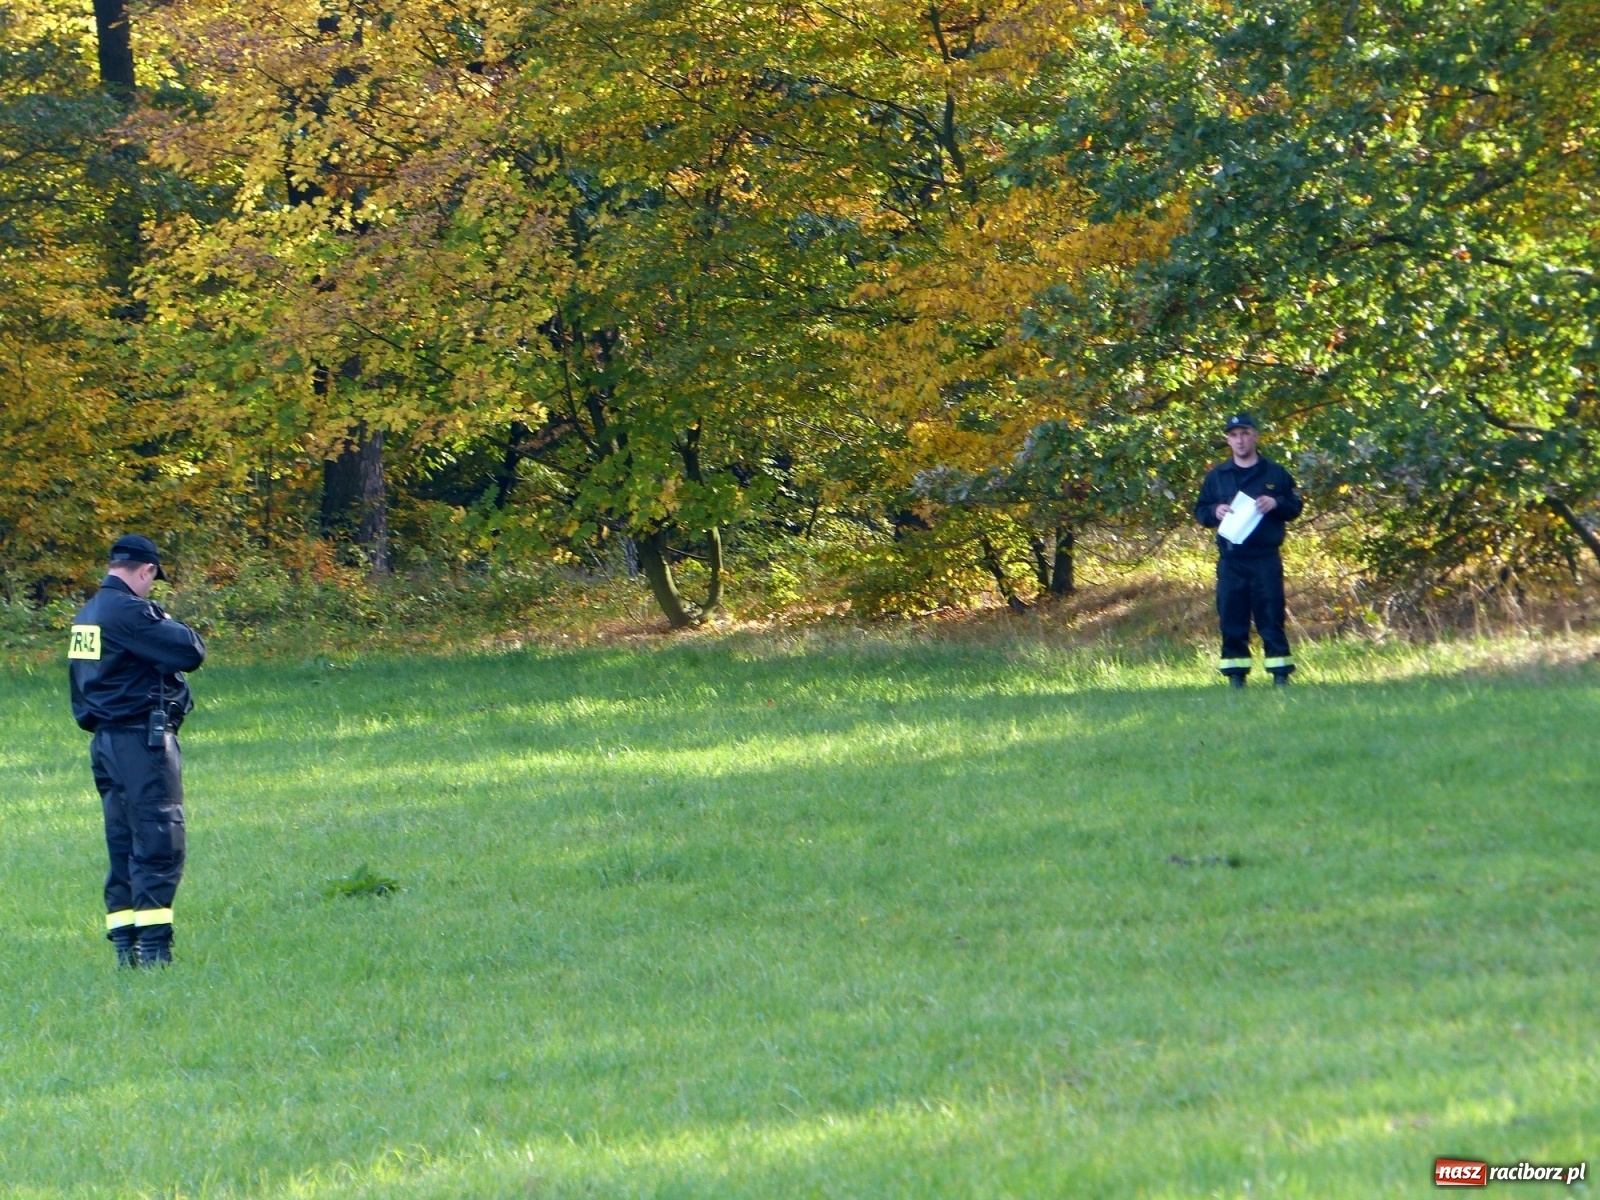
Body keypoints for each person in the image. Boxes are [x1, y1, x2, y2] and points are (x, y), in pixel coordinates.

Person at [68, 535, 206, 967]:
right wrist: (163, 618)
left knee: (123, 841)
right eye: (153, 580)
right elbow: (189, 650)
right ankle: (155, 950)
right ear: (146, 570)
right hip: (141, 743)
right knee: (159, 838)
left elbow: (82, 684)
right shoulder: (130, 611)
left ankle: (125, 946)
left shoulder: (86, 615)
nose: (152, 589)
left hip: (104, 742)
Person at [1194, 415, 1303, 686]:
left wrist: (1276, 503)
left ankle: (1280, 675)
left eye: (1244, 433)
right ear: (1227, 439)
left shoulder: (1275, 473)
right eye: (1234, 435)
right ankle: (1236, 677)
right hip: (1232, 558)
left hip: (1265, 557)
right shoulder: (1217, 477)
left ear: (1255, 435)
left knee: (1271, 615)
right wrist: (1214, 511)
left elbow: (1295, 506)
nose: (1239, 440)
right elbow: (1200, 511)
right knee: (1232, 616)